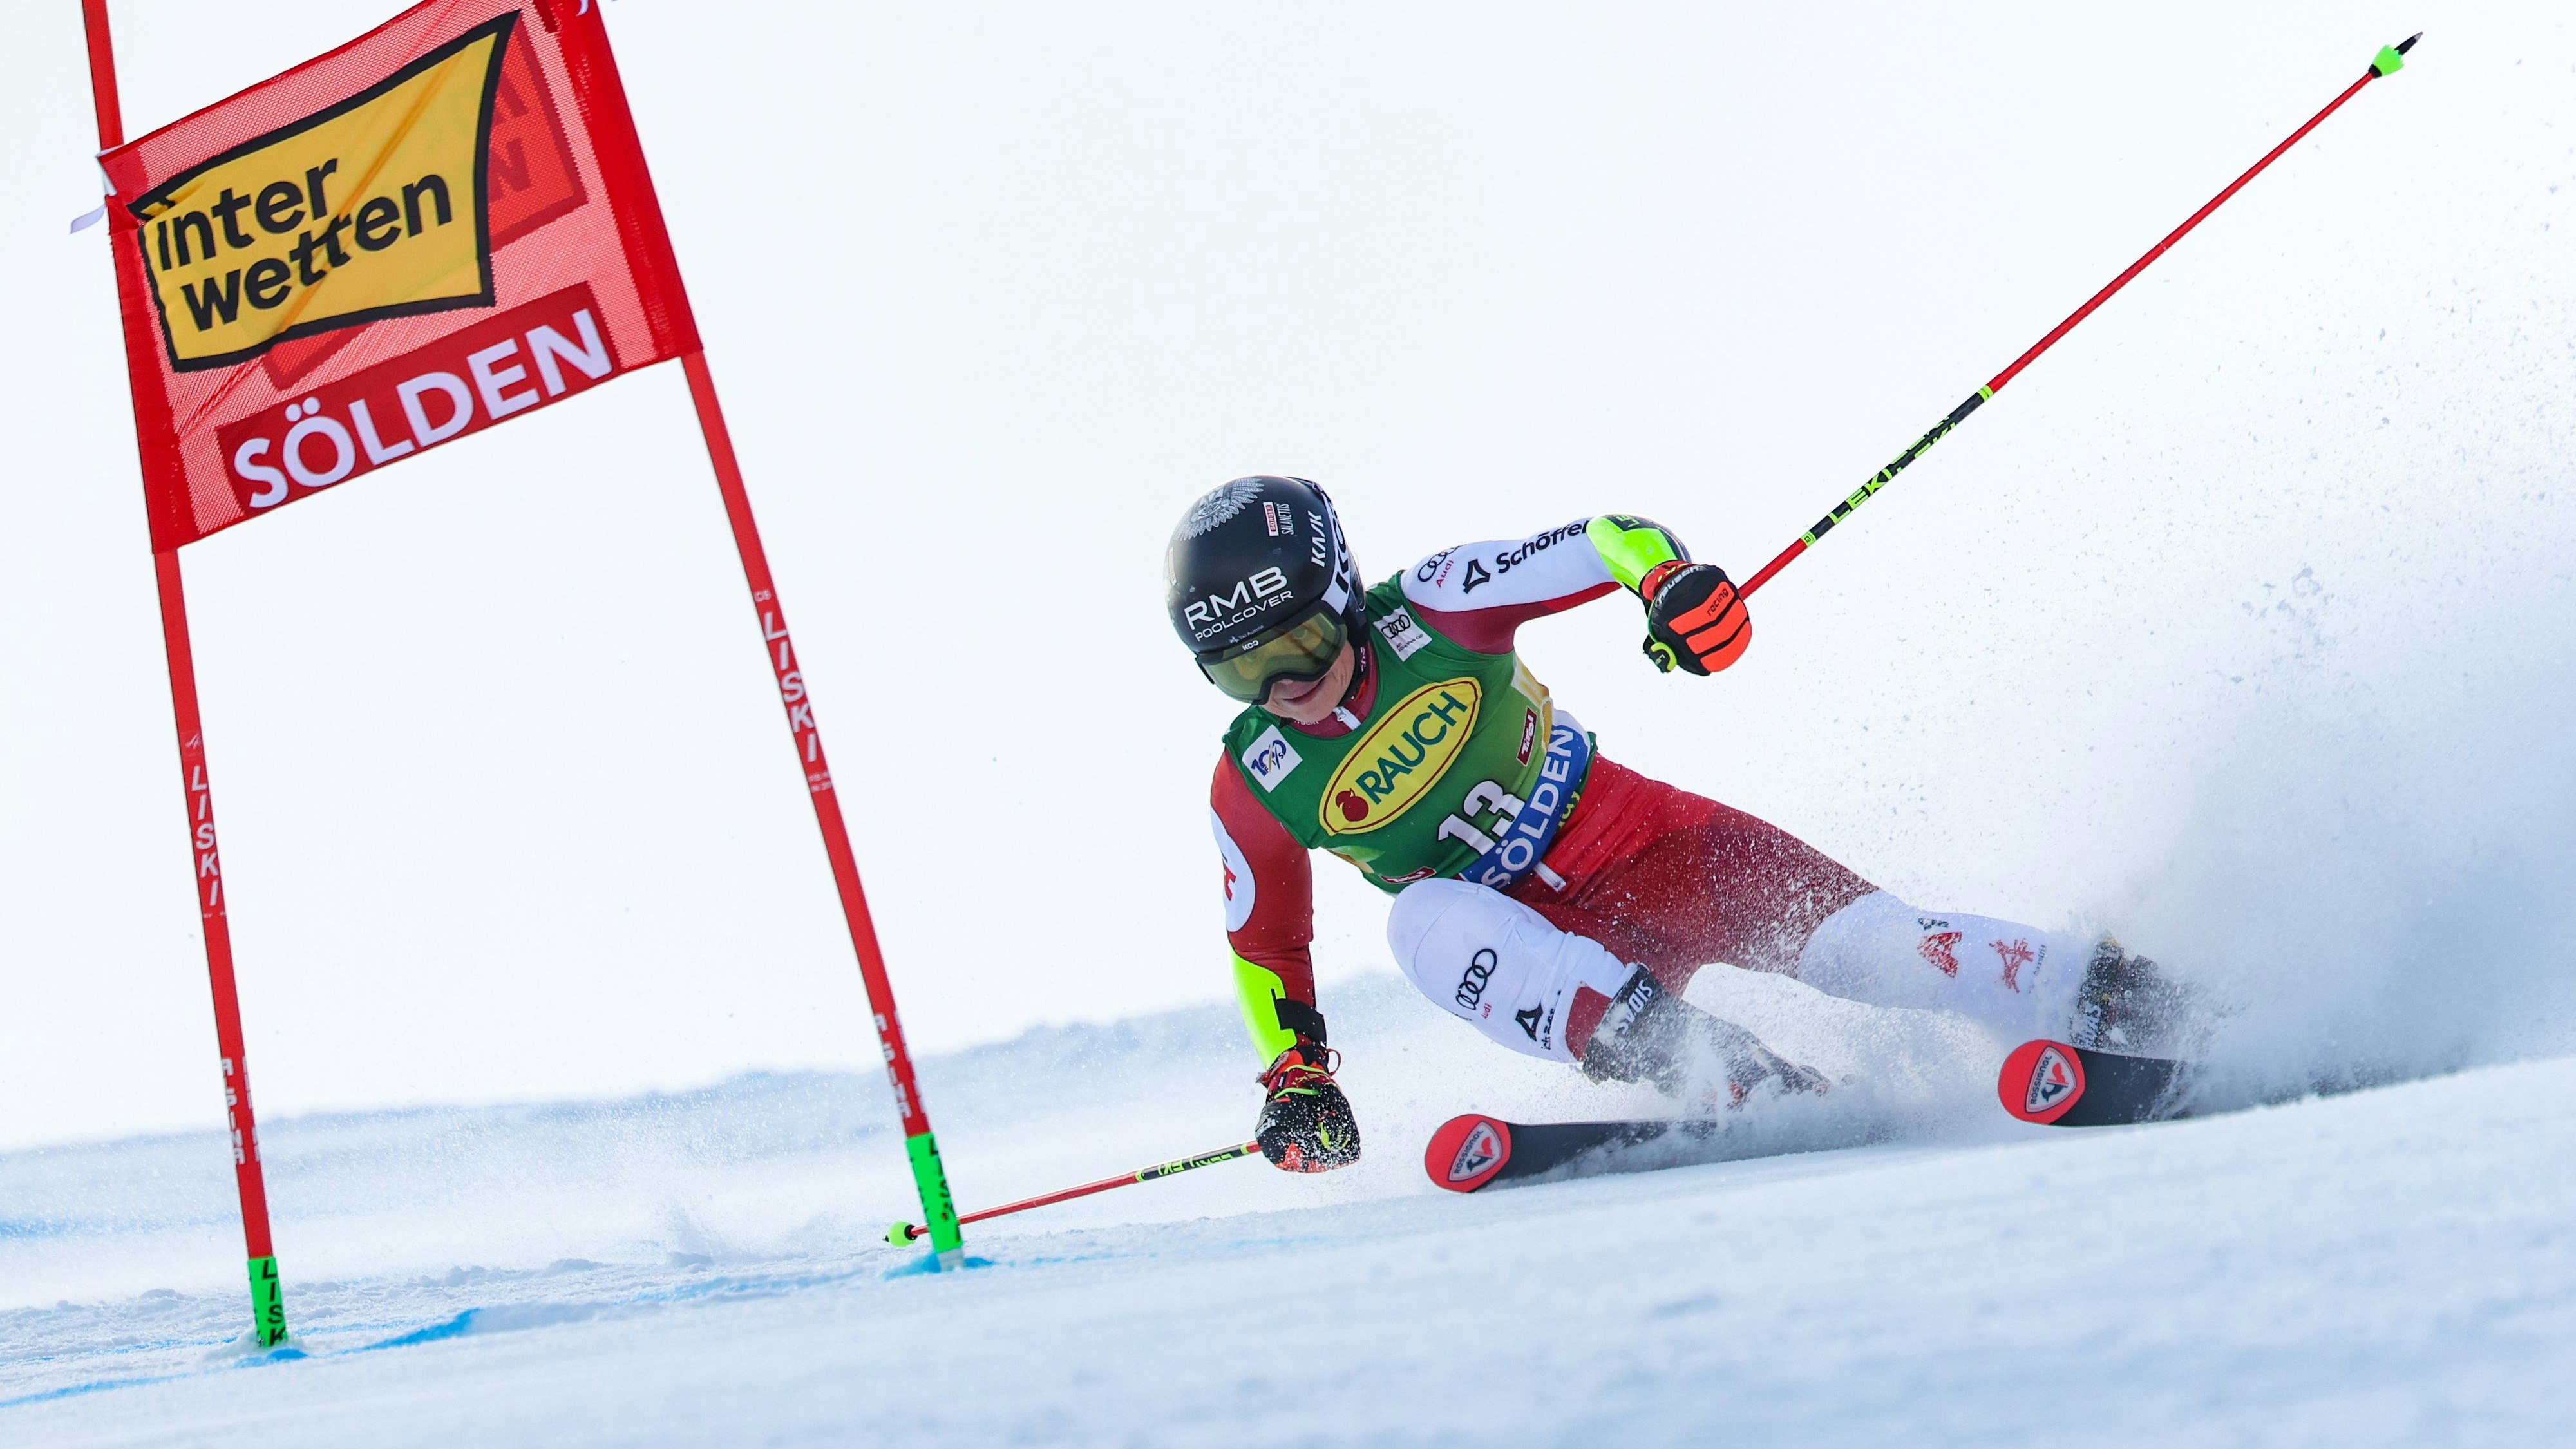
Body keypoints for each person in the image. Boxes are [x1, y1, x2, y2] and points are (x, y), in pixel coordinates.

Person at [1171, 476, 2185, 1172]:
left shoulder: (1432, 606)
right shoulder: (1253, 780)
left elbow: (1599, 539)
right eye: (1243, 670)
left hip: (1665, 848)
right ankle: (1732, 1075)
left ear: (1344, 595)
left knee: (1888, 952)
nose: (1286, 684)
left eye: (1301, 640)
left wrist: (1667, 585)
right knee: (1420, 922)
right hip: (1551, 951)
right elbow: (1265, 943)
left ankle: (2134, 1000)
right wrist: (1296, 1076)